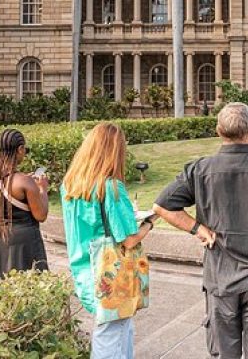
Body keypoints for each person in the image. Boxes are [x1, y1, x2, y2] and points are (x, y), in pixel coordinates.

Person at [153, 102, 248, 359]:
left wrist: (197, 228)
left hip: (220, 278)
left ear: (218, 131)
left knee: (224, 354)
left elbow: (162, 206)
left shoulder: (199, 170)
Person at [62, 123, 157, 359]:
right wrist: (151, 221)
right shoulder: (111, 187)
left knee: (113, 330)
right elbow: (129, 240)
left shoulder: (70, 185)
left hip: (84, 268)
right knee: (112, 337)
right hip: (111, 273)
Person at [0, 129, 49, 280]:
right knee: (28, 291)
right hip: (23, 241)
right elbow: (41, 215)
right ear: (20, 149)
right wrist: (42, 189)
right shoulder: (25, 182)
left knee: (2, 291)